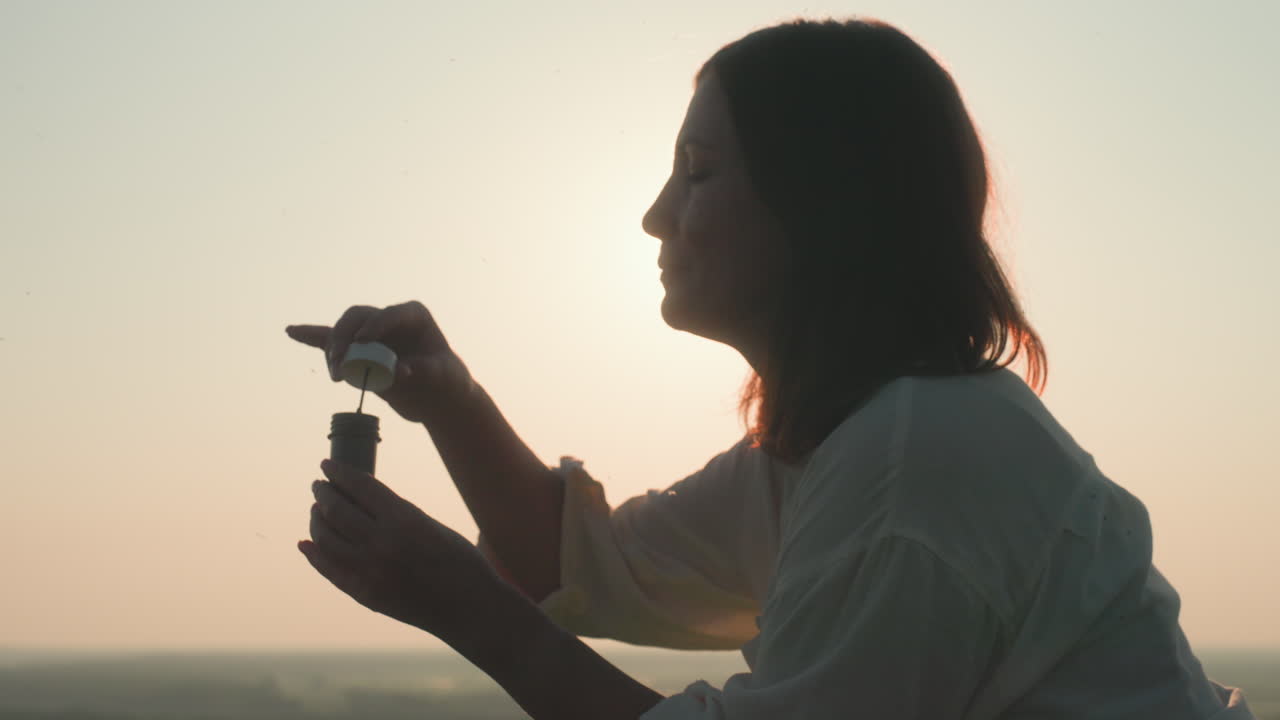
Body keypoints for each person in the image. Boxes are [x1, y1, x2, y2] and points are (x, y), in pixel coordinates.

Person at [286, 18, 1256, 719]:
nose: (656, 214)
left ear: (819, 203)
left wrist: (469, 610)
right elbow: (577, 570)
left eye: (699, 172)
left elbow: (538, 596)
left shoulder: (912, 465)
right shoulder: (834, 446)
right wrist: (452, 402)